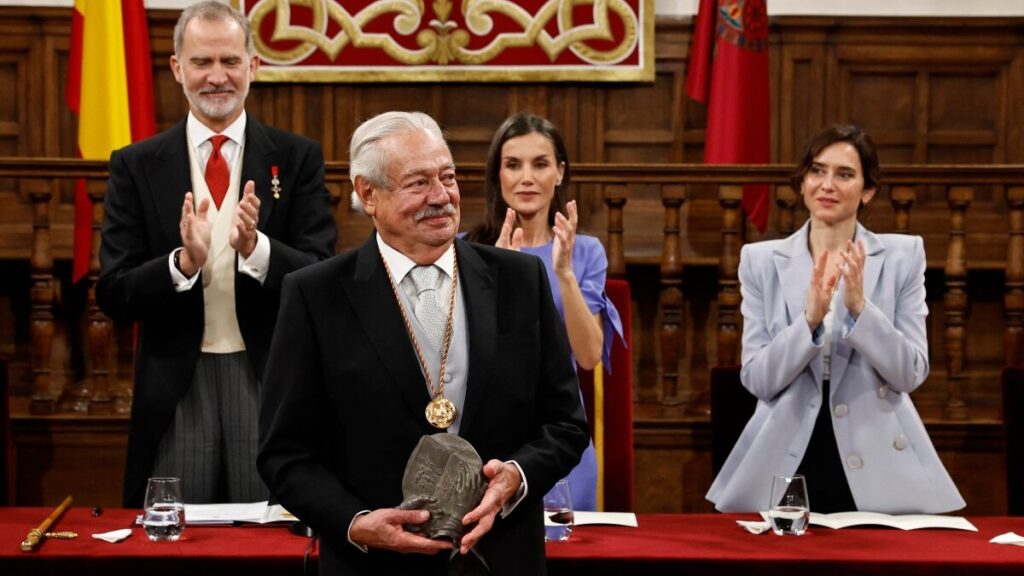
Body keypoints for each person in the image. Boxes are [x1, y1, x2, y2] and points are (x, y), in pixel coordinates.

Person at [258, 111, 589, 575]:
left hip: (501, 558)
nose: (441, 196)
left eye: (447, 177)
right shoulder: (316, 295)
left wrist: (516, 476)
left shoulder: (520, 280)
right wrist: (354, 523)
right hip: (373, 568)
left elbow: (566, 424)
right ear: (367, 194)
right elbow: (285, 455)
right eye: (418, 183)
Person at [97, 1, 336, 508]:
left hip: (267, 376)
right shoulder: (136, 165)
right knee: (175, 535)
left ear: (253, 66)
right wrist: (181, 264)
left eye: (230, 61)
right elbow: (114, 292)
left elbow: (321, 274)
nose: (217, 77)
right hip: (176, 385)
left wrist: (257, 249)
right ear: (176, 68)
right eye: (202, 62)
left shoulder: (297, 157)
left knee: (270, 535)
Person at [706, 124, 964, 514]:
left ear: (867, 190)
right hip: (788, 451)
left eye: (844, 174)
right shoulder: (760, 261)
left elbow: (910, 373)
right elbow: (758, 380)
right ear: (802, 183)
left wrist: (861, 309)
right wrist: (808, 321)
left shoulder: (903, 257)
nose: (827, 185)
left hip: (877, 451)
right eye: (817, 171)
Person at [466, 113, 623, 511]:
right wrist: (502, 277)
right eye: (513, 165)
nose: (526, 178)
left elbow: (588, 356)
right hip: (489, 438)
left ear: (560, 172)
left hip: (560, 436)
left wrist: (564, 273)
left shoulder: (585, 252)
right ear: (497, 175)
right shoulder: (468, 250)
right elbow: (466, 354)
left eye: (540, 164)